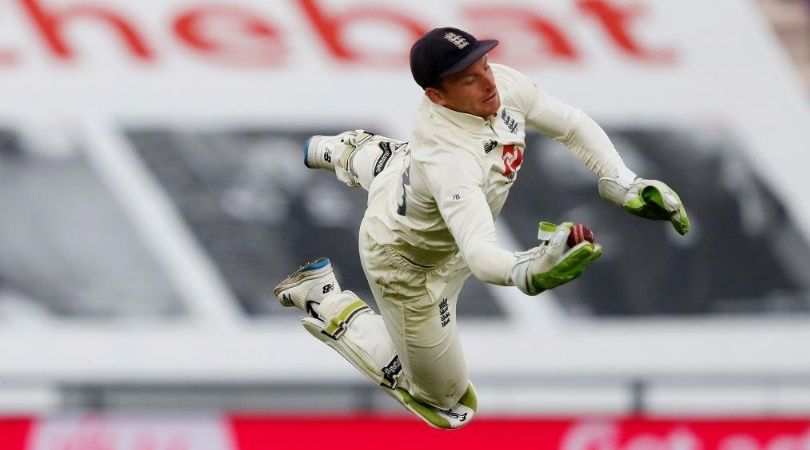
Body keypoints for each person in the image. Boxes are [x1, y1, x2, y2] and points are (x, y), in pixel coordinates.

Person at [273, 27, 689, 429]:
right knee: (446, 402)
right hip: (408, 266)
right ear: (437, 96)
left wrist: (622, 181)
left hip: (420, 193)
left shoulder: (498, 84)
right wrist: (529, 269)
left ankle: (345, 150)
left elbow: (572, 124)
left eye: (484, 65)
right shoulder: (449, 160)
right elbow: (480, 255)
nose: (487, 83)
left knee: (400, 165)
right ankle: (322, 299)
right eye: (468, 79)